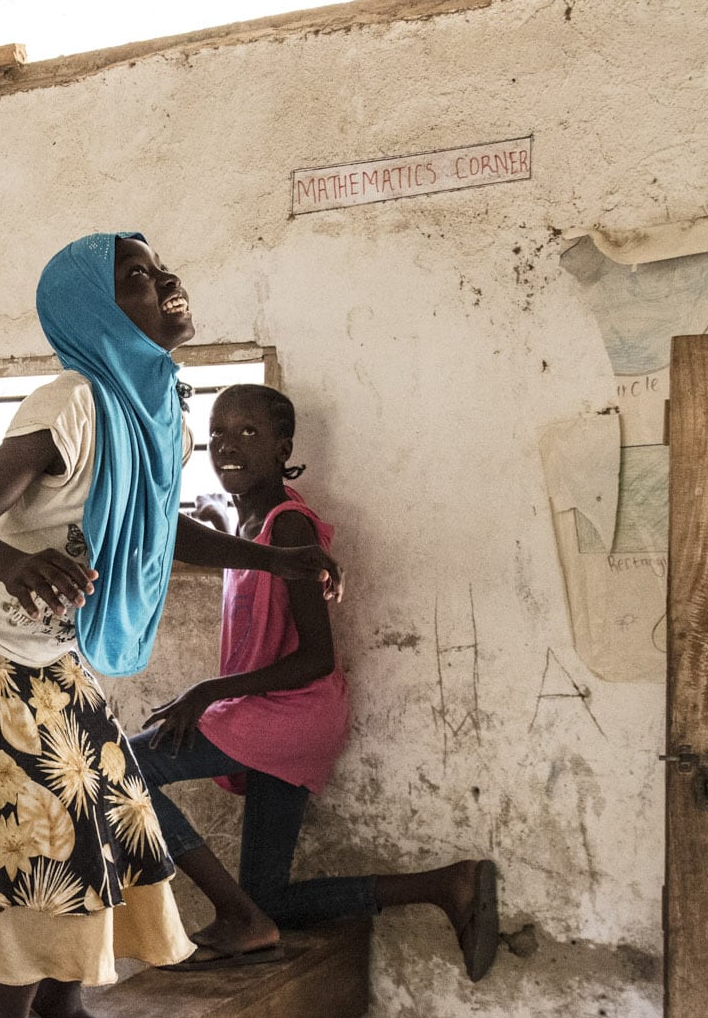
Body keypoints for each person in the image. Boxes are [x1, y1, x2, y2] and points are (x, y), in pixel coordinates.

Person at [0, 234, 341, 1018]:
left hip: (44, 653)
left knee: (117, 816)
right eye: (138, 279)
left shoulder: (154, 409)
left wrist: (272, 561)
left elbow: (155, 528)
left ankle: (64, 1004)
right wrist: (19, 566)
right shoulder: (69, 401)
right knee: (36, 837)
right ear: (98, 313)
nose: (167, 282)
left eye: (160, 269)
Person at [132, 384, 500, 979]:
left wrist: (205, 692)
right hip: (284, 718)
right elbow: (196, 523)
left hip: (288, 713)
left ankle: (234, 916)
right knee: (271, 898)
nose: (228, 446)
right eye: (218, 433)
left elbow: (317, 659)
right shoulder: (242, 516)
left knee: (122, 768)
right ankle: (445, 884)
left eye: (249, 433)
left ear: (283, 447)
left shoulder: (288, 527)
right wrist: (202, 512)